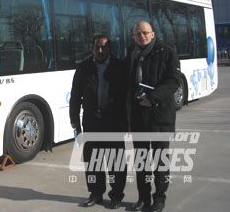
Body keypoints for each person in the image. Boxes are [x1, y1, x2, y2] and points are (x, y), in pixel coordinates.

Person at [126, 21, 180, 212]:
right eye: (138, 33)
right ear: (134, 36)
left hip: (159, 115)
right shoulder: (132, 54)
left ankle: (159, 199)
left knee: (160, 161)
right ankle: (143, 198)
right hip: (139, 116)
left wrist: (153, 98)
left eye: (145, 33)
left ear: (153, 34)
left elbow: (174, 81)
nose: (142, 36)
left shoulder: (166, 52)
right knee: (141, 161)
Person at [70, 35, 127, 209]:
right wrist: (75, 123)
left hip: (113, 122)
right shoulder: (84, 68)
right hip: (91, 121)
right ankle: (96, 194)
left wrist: (126, 123)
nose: (100, 51)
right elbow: (75, 97)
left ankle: (116, 195)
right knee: (93, 161)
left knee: (115, 161)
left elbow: (126, 97)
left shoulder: (119, 67)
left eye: (104, 47)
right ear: (92, 48)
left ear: (110, 49)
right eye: (97, 47)